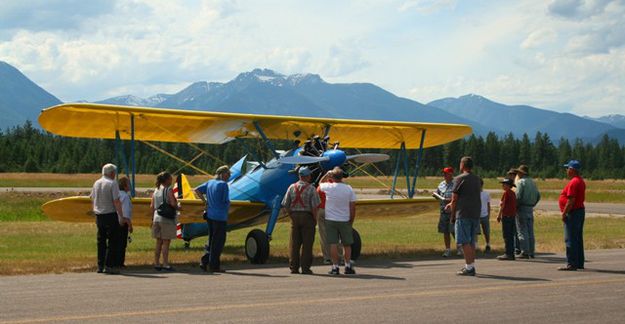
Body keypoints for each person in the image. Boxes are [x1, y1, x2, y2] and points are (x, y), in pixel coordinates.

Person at [282, 167, 320, 274]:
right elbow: (314, 207)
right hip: (307, 217)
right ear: (307, 176)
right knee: (307, 244)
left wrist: (292, 215)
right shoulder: (312, 189)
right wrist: (315, 218)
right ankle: (305, 268)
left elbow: (286, 205)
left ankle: (294, 267)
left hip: (294, 217)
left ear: (299, 176)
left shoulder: (291, 187)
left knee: (294, 244)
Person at [447, 156, 482, 276]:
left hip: (463, 213)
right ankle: (471, 265)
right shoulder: (477, 179)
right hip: (475, 213)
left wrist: (452, 214)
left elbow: (455, 198)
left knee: (463, 241)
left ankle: (469, 268)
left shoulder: (458, 179)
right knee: (471, 241)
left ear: (462, 165)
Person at [320, 167, 357, 275]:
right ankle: (347, 266)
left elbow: (319, 183)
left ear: (332, 176)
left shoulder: (329, 187)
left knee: (333, 244)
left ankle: (335, 267)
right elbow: (352, 207)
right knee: (347, 244)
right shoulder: (349, 188)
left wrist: (327, 174)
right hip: (345, 219)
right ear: (342, 176)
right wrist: (351, 220)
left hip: (330, 220)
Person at [90, 163, 125, 274]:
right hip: (110, 214)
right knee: (113, 241)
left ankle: (100, 265)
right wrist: (121, 216)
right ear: (111, 173)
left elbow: (92, 197)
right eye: (114, 172)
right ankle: (109, 265)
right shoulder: (112, 183)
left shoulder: (96, 183)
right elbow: (116, 201)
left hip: (99, 215)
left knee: (101, 241)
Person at [195, 165, 231, 273]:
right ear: (222, 174)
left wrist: (205, 202)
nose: (229, 176)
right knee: (219, 241)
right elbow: (225, 201)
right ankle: (214, 266)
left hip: (210, 216)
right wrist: (228, 207)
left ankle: (204, 261)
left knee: (211, 239)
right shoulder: (223, 185)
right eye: (228, 174)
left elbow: (197, 190)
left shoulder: (210, 183)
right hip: (220, 216)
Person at [558, 160, 586, 271]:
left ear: (572, 170)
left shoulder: (574, 182)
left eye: (567, 168)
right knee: (577, 238)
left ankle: (572, 263)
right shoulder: (580, 181)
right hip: (579, 211)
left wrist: (564, 213)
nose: (566, 171)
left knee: (570, 238)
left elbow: (571, 200)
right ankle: (579, 262)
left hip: (573, 213)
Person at [150, 172, 179, 271]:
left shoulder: (156, 190)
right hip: (166, 218)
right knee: (166, 242)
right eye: (170, 179)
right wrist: (178, 206)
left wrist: (152, 219)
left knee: (158, 242)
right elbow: (172, 203)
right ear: (166, 180)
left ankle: (157, 263)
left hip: (156, 218)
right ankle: (165, 263)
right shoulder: (168, 190)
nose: (171, 181)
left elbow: (152, 206)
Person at [514, 165, 540, 259]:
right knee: (530, 231)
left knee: (522, 230)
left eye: (518, 172)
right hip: (530, 208)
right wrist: (532, 204)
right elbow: (538, 196)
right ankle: (531, 252)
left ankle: (525, 251)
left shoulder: (521, 182)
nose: (517, 174)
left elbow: (518, 196)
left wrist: (515, 207)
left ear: (522, 173)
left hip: (522, 208)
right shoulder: (533, 182)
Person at [435, 167, 456, 257]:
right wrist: (435, 195)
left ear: (451, 174)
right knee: (445, 231)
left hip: (453, 211)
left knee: (455, 230)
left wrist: (450, 200)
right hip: (443, 210)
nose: (444, 175)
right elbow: (438, 193)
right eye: (443, 173)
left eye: (446, 173)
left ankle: (460, 248)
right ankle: (447, 249)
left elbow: (458, 196)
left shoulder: (455, 184)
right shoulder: (441, 184)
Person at [496, 178, 517, 261]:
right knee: (511, 235)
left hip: (507, 216)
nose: (502, 186)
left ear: (508, 186)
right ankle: (511, 253)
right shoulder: (513, 193)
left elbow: (503, 205)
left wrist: (499, 215)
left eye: (504, 184)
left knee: (506, 235)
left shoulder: (506, 193)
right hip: (512, 216)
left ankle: (508, 253)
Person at [118, 176, 133, 268]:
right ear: (125, 186)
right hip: (122, 223)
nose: (130, 186)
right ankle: (120, 263)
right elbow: (126, 213)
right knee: (122, 244)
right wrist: (130, 225)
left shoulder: (116, 195)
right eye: (128, 184)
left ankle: (112, 262)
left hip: (114, 221)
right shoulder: (126, 197)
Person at [478, 178, 491, 253]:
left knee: (486, 231)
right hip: (476, 215)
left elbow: (488, 205)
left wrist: (488, 215)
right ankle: (475, 245)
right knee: (475, 231)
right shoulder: (474, 193)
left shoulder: (486, 194)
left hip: (484, 215)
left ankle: (488, 244)